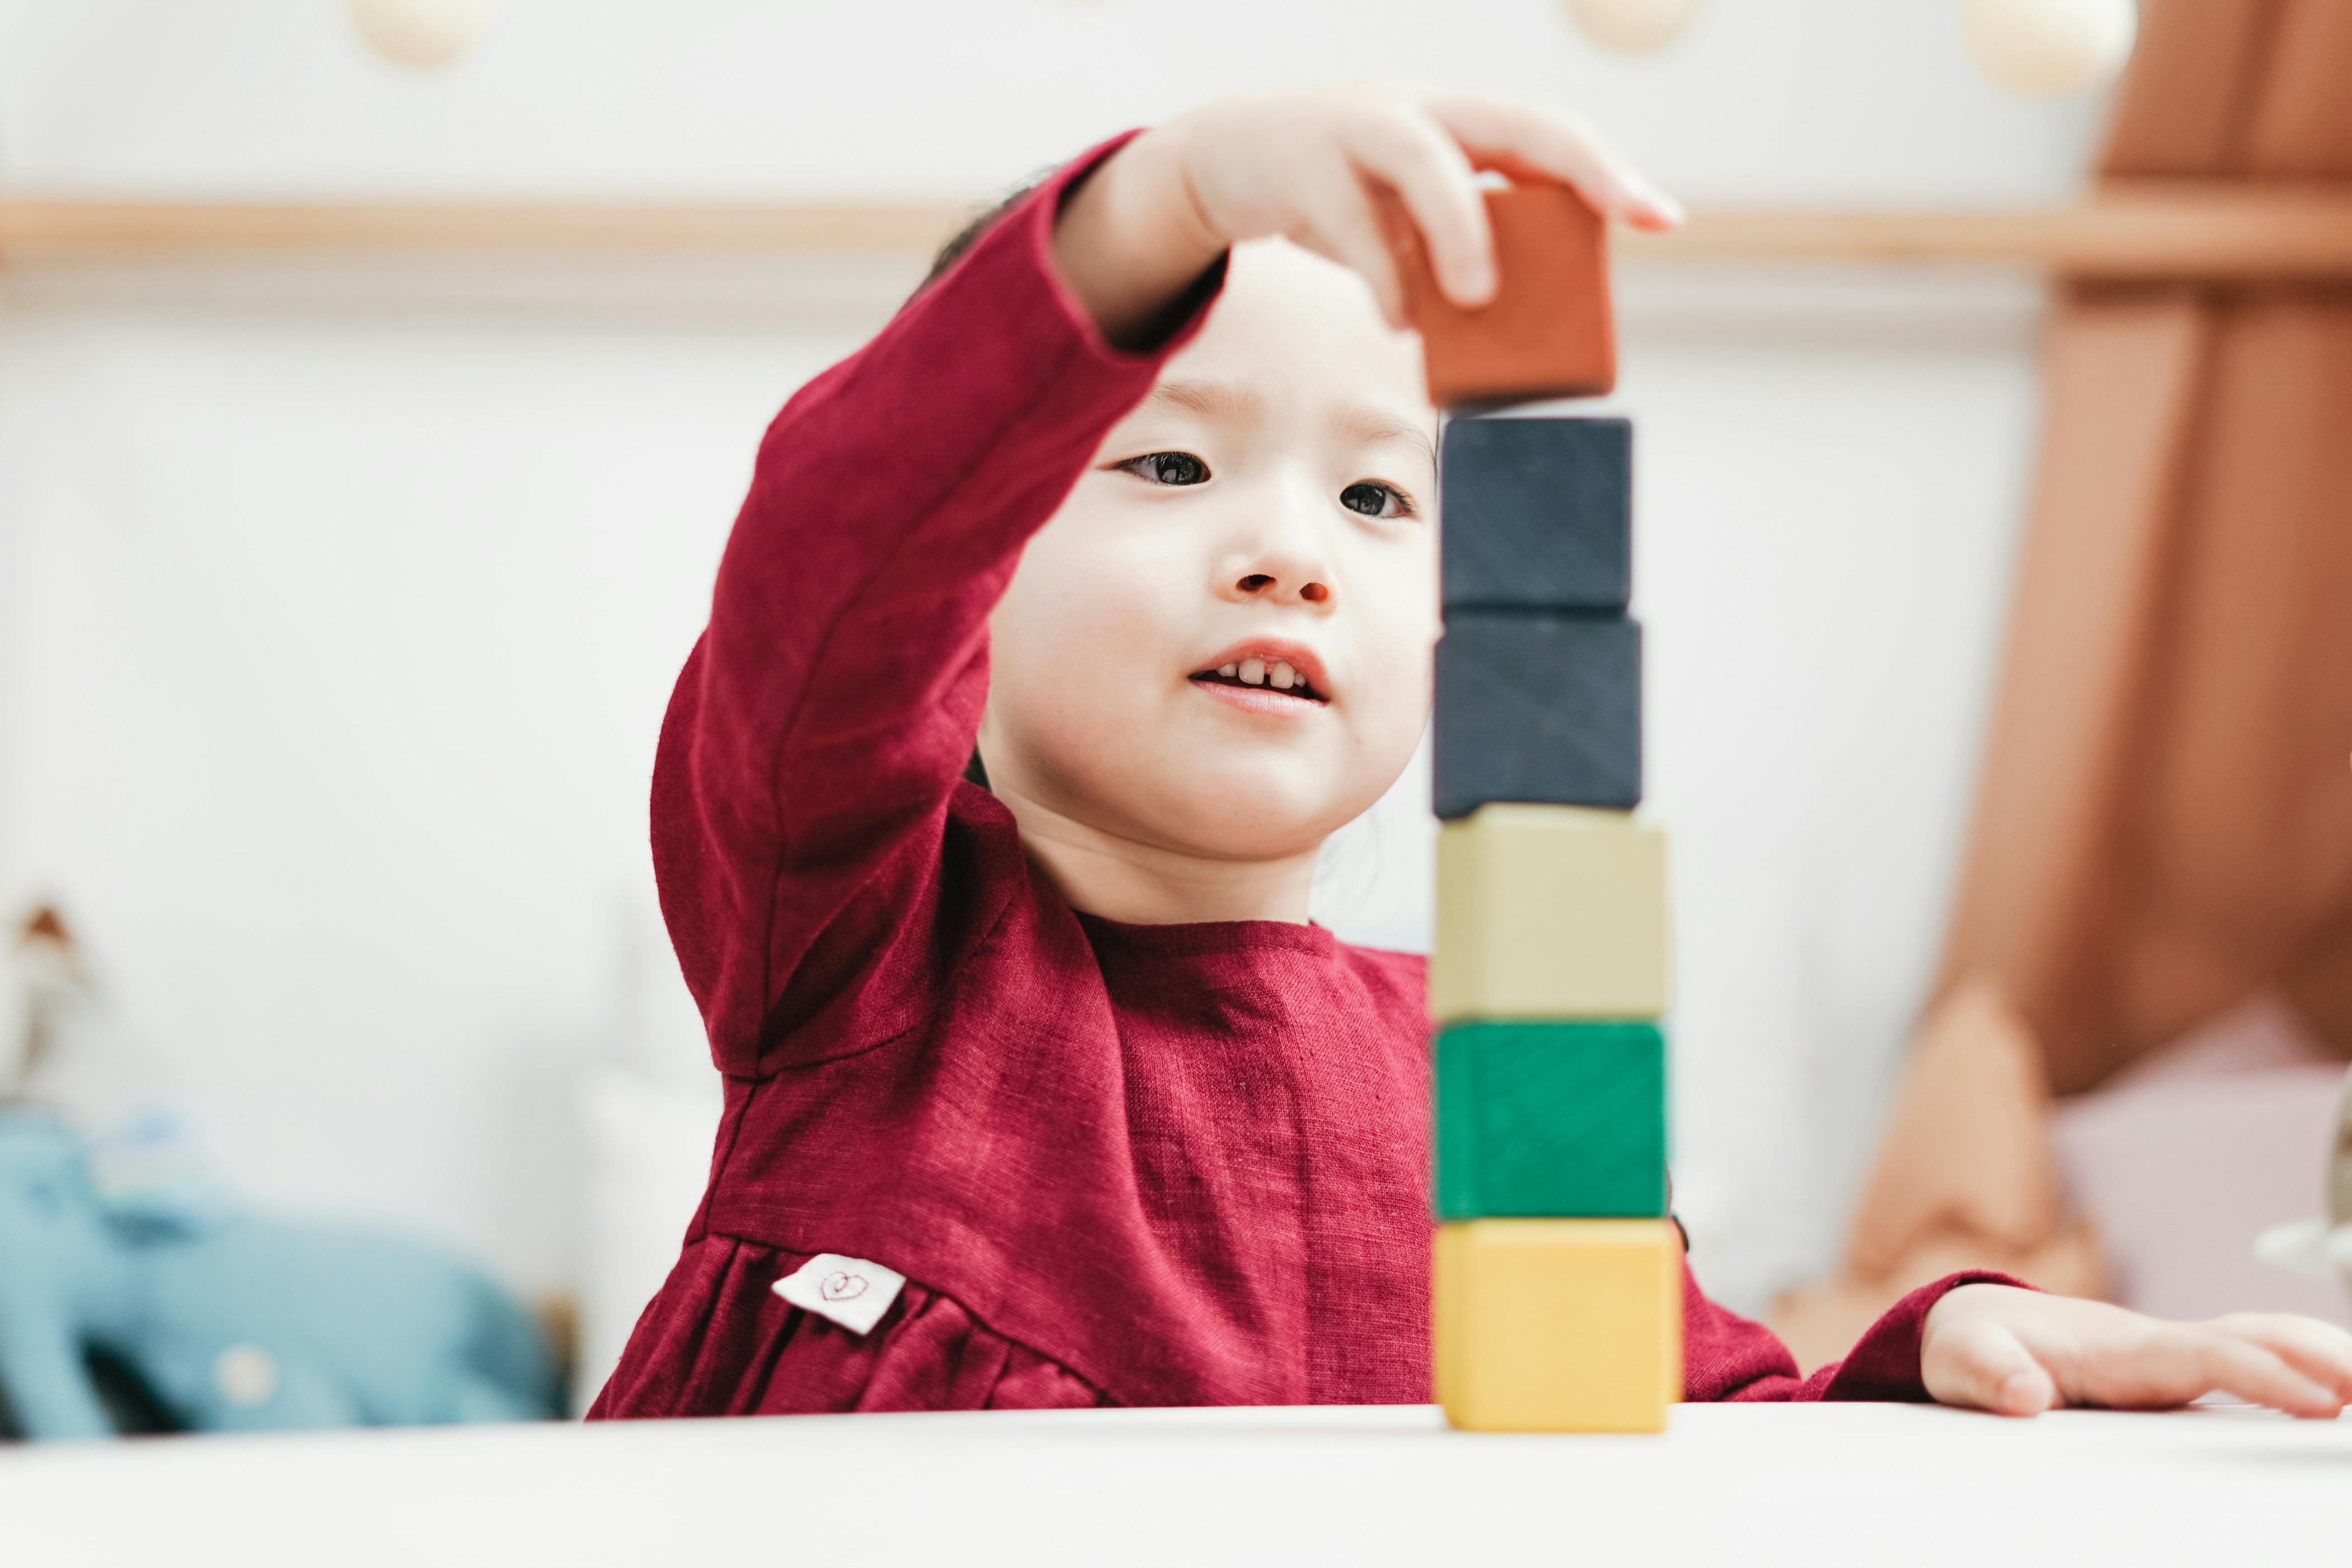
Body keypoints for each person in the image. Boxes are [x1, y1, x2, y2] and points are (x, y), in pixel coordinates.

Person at [589, 86, 2352, 1421]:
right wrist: (1171, 200)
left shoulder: (1489, 1064)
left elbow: (1691, 1421)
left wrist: (1925, 1355)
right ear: (970, 578)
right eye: (1170, 464)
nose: (1292, 552)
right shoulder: (851, 952)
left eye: (1374, 493)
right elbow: (837, 551)